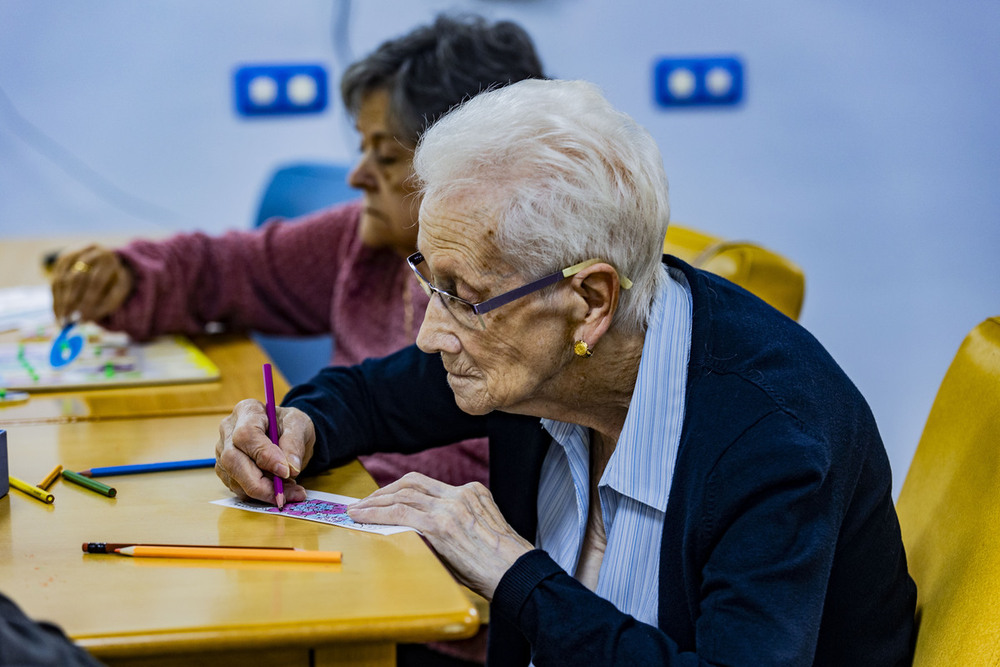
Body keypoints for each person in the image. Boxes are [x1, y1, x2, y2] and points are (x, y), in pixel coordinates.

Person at [214, 79, 917, 665]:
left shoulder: (773, 440)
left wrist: (512, 570)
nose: (432, 332)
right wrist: (295, 425)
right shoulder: (529, 352)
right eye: (431, 280)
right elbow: (370, 397)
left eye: (462, 295)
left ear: (590, 301)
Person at [47, 15, 544, 492]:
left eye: (386, 156)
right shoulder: (361, 240)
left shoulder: (523, 296)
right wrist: (128, 276)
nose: (357, 176)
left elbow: (474, 476)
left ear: (474, 168)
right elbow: (228, 269)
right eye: (361, 148)